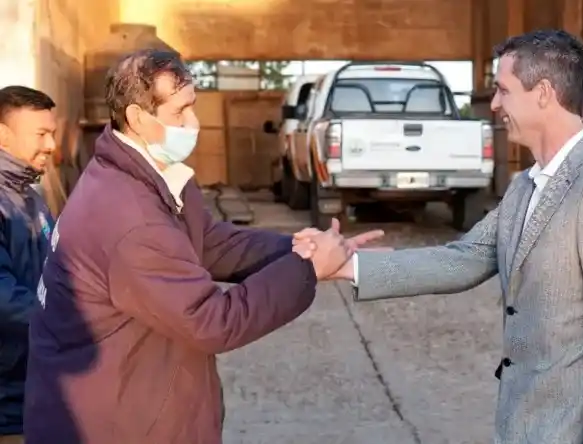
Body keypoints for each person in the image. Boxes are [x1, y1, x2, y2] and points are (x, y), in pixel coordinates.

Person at [298, 30, 583, 444]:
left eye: (503, 90)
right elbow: (465, 257)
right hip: (522, 422)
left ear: (543, 93)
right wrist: (347, 265)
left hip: (571, 430)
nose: (496, 104)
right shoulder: (528, 184)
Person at [23, 49, 381, 444]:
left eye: (193, 107)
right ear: (138, 118)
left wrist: (297, 248)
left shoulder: (147, 171)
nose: (194, 123)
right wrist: (306, 271)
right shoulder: (130, 218)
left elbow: (207, 242)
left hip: (137, 397)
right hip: (111, 424)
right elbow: (212, 321)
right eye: (180, 112)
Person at [0, 86, 57, 444]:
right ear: (3, 135)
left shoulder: (32, 200)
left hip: (36, 387)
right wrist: (66, 324)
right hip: (6, 399)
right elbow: (3, 299)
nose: (51, 145)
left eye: (52, 133)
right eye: (41, 134)